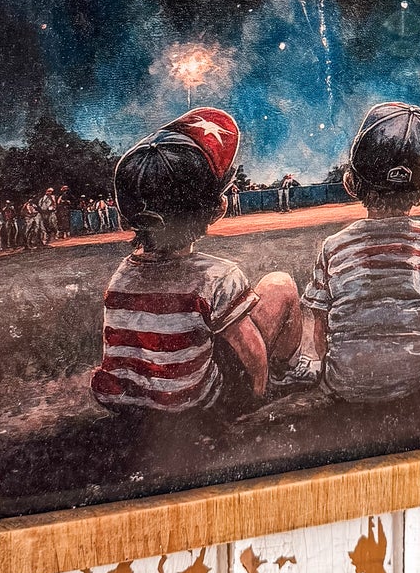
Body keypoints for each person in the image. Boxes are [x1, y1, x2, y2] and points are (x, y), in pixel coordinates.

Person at [90, 108, 299, 415]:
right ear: (218, 209)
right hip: (195, 405)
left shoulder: (121, 275)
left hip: (127, 404)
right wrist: (256, 396)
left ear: (125, 218)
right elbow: (251, 352)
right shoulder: (218, 276)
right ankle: (285, 375)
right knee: (279, 285)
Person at [299, 101, 420, 403]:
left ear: (350, 183)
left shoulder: (333, 247)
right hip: (418, 381)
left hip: (345, 385)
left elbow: (320, 328)